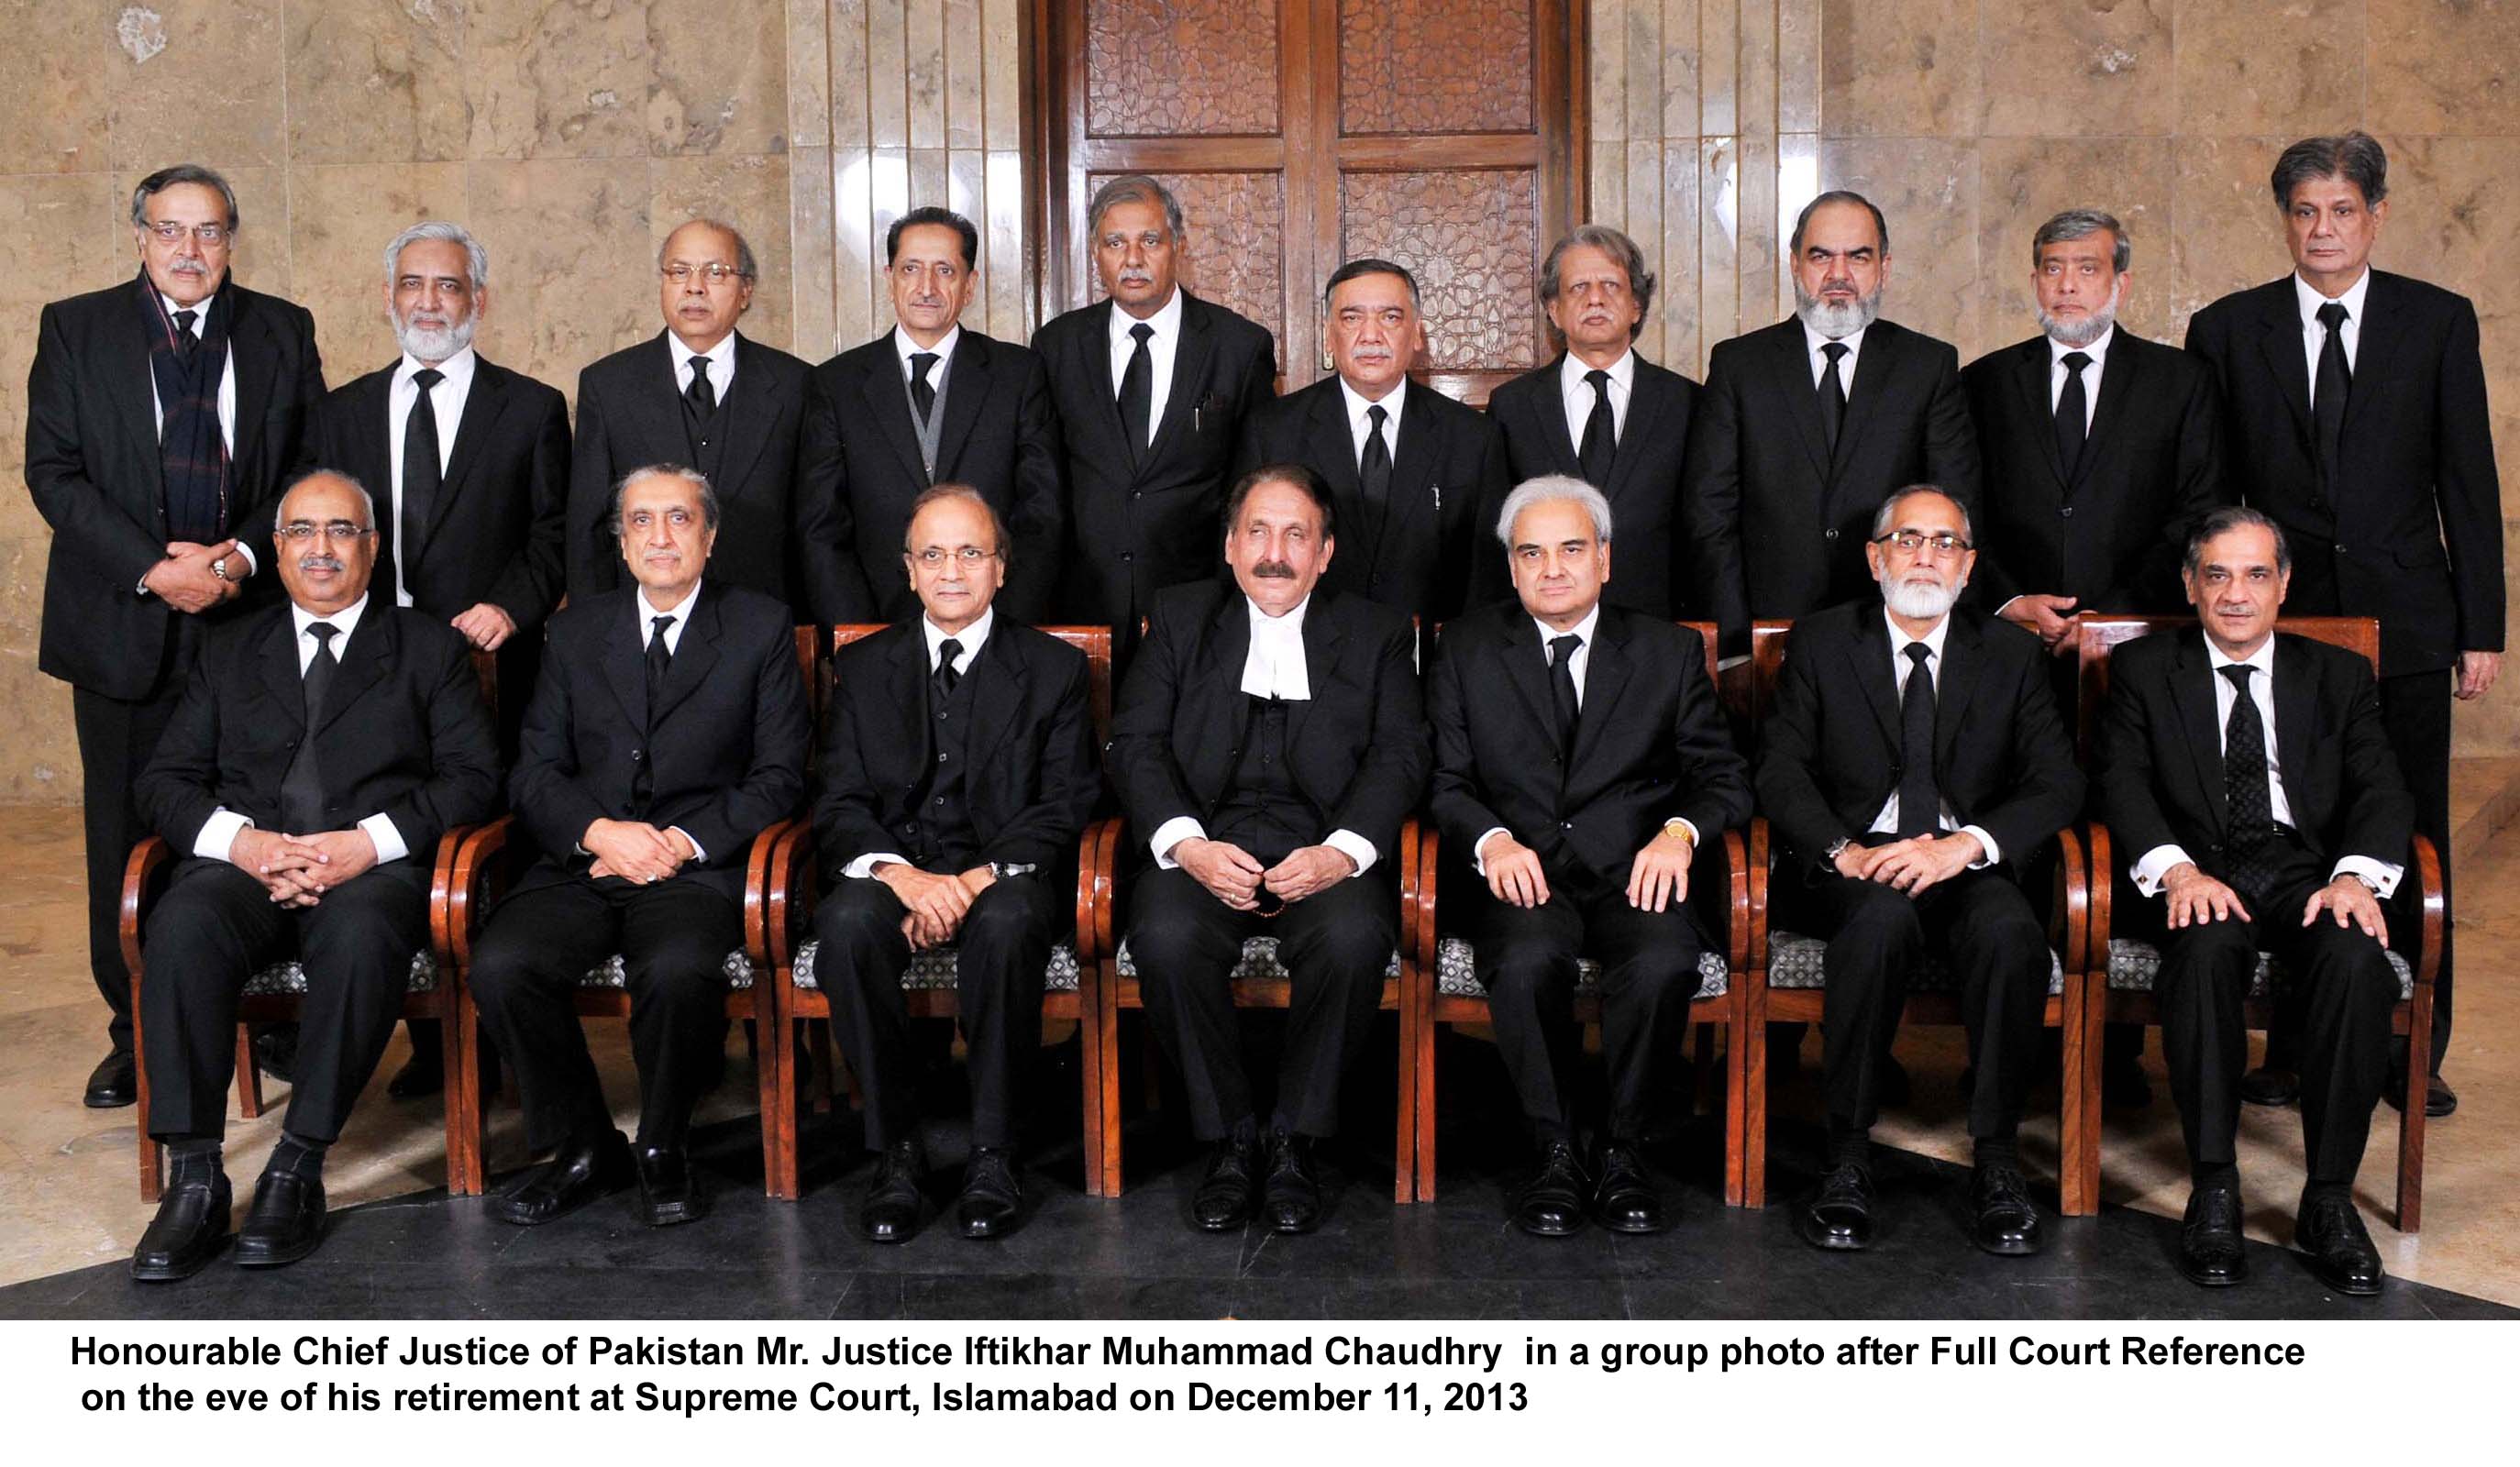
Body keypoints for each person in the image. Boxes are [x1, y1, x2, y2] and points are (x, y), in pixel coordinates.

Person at [2184, 132, 2501, 1118]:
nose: (2323, 229)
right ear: (2284, 220)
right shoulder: (2229, 328)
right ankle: (2291, 1044)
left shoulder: (2437, 321)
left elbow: (2469, 481)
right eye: (2305, 212)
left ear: (2377, 215)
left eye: (2343, 211)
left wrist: (2480, 625)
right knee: (2284, 823)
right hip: (2280, 621)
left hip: (2408, 615)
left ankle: (2416, 1051)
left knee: (2403, 823)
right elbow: (2212, 491)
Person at [127, 470, 499, 1278]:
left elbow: (475, 777)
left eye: (341, 531)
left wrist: (367, 843)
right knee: (182, 925)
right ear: (277, 547)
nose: (320, 550)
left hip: (370, 870)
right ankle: (193, 1177)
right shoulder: (229, 646)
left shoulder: (428, 646)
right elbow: (164, 781)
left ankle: (298, 1165)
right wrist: (247, 845)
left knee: (364, 936)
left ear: (372, 547)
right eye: (301, 532)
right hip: (248, 867)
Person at [26, 164, 325, 1111]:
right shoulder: (76, 327)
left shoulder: (282, 327)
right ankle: (138, 1032)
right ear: (140, 237)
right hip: (122, 622)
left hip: (250, 622)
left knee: (263, 810)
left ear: (233, 239)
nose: (189, 250)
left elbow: (313, 467)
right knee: (125, 831)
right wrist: (160, 570)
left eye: (208, 232)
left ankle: (272, 1019)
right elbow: (55, 472)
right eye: (170, 230)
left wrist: (237, 558)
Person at [468, 466, 809, 1230]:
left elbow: (781, 776)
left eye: (680, 520)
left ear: (710, 537)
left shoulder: (759, 626)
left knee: (680, 967)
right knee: (502, 964)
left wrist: (684, 842)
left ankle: (662, 1144)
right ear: (621, 545)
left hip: (698, 866)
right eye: (642, 522)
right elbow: (535, 768)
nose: (661, 537)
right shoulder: (575, 630)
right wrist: (597, 832)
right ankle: (587, 1145)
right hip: (587, 860)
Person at [1754, 486, 2083, 1256]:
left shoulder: (2007, 652)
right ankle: (1848, 1154)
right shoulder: (1824, 640)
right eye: (1907, 539)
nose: (1925, 556)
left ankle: (1996, 1157)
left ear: (1969, 568)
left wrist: (1964, 845)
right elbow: (1779, 770)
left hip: (1963, 859)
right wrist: (1844, 851)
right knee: (1877, 923)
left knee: (2011, 933)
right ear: (1875, 558)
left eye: (1945, 543)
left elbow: (2057, 781)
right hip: (1856, 863)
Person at [1106, 464, 1431, 1233]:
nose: (1274, 552)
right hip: (1204, 845)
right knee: (1167, 936)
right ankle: (1230, 1138)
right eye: (1257, 531)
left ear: (1325, 553)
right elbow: (1137, 746)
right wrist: (1186, 847)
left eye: (1296, 535)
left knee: (1353, 939)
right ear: (1228, 545)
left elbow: (1402, 754)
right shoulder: (1180, 619)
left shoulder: (1379, 631)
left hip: (1320, 849)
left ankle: (1294, 1139)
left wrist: (1342, 852)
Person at [2095, 507, 2413, 1295]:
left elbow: (2381, 787)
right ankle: (2214, 1186)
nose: (2237, 594)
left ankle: (2329, 1200)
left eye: (2256, 574)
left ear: (2283, 586)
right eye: (2218, 574)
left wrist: (2353, 878)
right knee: (2202, 955)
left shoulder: (2336, 675)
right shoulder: (2143, 671)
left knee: (2355, 961)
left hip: (2307, 872)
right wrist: (2175, 873)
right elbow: (2121, 784)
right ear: (2191, 585)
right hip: (2199, 872)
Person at [1429, 477, 1749, 1236]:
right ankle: (1554, 1150)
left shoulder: (1668, 652)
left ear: (1605, 560)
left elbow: (1724, 777)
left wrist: (1678, 834)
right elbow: (1443, 780)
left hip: (1634, 873)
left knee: (1664, 961)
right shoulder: (1468, 648)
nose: (1553, 569)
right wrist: (1490, 838)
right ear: (1510, 568)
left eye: (1572, 549)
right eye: (1531, 553)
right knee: (1527, 960)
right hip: (1522, 877)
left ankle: (1624, 1148)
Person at [1962, 206, 2227, 1109]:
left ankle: (2117, 1055)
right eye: (2051, 267)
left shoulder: (2180, 382)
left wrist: (2108, 616)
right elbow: (1965, 512)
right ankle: (2016, 1043)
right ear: (2033, 279)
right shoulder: (1986, 382)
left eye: (2085, 267)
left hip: (2136, 651)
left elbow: (2195, 507)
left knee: (2127, 823)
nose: (2067, 284)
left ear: (2120, 280)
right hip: (2014, 647)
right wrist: (2010, 598)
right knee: (2022, 834)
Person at [297, 219, 570, 1097]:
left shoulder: (529, 408)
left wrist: (510, 607)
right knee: (397, 833)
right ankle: (426, 1040)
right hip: (378, 675)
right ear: (389, 298)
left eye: (448, 287)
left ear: (478, 303)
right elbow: (332, 543)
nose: (428, 302)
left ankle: (507, 1040)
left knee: (496, 839)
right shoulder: (340, 412)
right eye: (412, 284)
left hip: (491, 662)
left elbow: (554, 533)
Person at [810, 486, 1100, 1243]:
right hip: (896, 872)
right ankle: (897, 1150)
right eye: (932, 554)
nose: (951, 571)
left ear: (1001, 569)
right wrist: (899, 876)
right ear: (908, 571)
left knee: (1005, 927)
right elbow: (839, 799)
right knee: (844, 925)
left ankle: (992, 1151)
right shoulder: (863, 667)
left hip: (1004, 877)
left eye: (970, 552)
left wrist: (974, 879)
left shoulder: (1053, 668)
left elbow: (1066, 801)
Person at [1682, 191, 1980, 654]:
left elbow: (1953, 507)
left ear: (1884, 267)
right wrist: (1738, 637)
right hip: (1768, 633)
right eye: (1821, 256)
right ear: (1795, 265)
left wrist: (1926, 622)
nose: (1838, 275)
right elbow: (1710, 511)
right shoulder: (1739, 364)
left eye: (1858, 257)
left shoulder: (1928, 366)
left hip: (1894, 628)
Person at [1032, 175, 1277, 655]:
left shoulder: (1238, 347)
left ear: (1178, 247)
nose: (1133, 259)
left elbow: (1252, 489)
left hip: (1198, 611)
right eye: (1115, 243)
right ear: (1097, 255)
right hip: (1081, 605)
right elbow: (1044, 479)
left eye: (1150, 240)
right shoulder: (1056, 347)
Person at [801, 206, 1064, 625]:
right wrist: (856, 634)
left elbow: (1041, 515)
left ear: (970, 285)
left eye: (945, 270)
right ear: (889, 279)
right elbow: (822, 527)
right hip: (877, 625)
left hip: (997, 625)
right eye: (910, 269)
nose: (926, 287)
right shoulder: (837, 383)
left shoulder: (1017, 374)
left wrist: (1009, 625)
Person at [1232, 259, 1508, 623]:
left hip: (1429, 660)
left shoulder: (1472, 436)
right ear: (1328, 335)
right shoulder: (1272, 430)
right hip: (1309, 656)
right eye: (1352, 318)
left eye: (1391, 317)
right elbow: (1243, 554)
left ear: (1417, 333)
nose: (1371, 335)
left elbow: (1487, 575)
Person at [567, 218, 812, 609]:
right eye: (679, 272)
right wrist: (591, 628)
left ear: (746, 290)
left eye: (716, 272)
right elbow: (588, 527)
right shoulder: (608, 385)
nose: (694, 287)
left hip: (762, 621)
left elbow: (812, 525)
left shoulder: (796, 384)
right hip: (640, 621)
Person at [1484, 226, 1698, 616]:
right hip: (1545, 625)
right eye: (1579, 287)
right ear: (1555, 309)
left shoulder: (1687, 401)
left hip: (1658, 626)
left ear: (1636, 306)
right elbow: (1500, 533)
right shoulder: (1512, 406)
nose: (1596, 299)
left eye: (1612, 286)